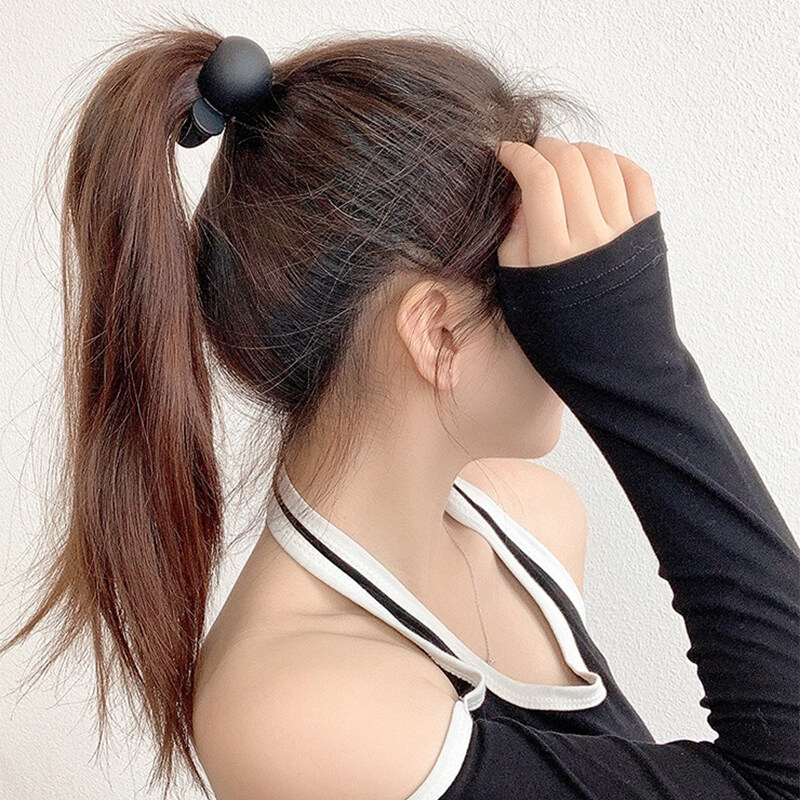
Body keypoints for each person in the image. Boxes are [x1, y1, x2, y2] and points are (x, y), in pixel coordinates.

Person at [1, 24, 797, 800]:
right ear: (438, 332)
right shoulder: (298, 708)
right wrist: (640, 371)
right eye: (550, 288)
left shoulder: (532, 522)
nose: (581, 328)